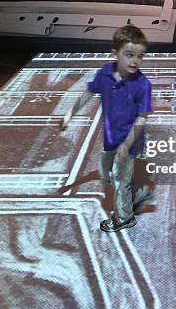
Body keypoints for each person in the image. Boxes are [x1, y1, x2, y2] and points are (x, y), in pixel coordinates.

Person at [61, 25, 153, 232]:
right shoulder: (104, 73)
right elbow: (88, 92)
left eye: (140, 56)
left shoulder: (143, 84)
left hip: (130, 142)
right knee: (107, 175)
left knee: (120, 180)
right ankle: (135, 193)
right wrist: (70, 113)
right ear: (115, 53)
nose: (135, 61)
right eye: (129, 54)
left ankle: (124, 218)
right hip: (110, 139)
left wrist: (126, 145)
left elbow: (141, 118)